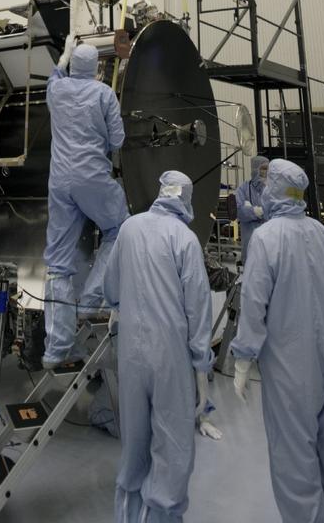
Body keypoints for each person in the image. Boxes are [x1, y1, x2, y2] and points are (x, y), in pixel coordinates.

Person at [231, 159, 324, 523]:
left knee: (294, 459)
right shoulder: (323, 236)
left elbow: (254, 302)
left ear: (275, 190)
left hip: (289, 368)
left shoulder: (267, 238)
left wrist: (243, 357)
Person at [103, 169, 214, 523]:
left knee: (134, 442)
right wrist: (201, 365)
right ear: (185, 197)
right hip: (170, 357)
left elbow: (111, 286)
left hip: (131, 354)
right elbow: (198, 306)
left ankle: (127, 513)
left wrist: (121, 307)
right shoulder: (184, 238)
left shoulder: (129, 228)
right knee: (172, 445)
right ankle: (163, 515)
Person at [43, 36, 129, 367]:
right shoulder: (104, 93)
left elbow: (55, 75)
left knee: (58, 263)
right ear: (96, 68)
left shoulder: (56, 90)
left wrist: (63, 55)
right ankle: (92, 301)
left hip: (60, 182)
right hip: (92, 178)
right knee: (118, 229)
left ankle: (56, 347)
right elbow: (118, 139)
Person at [234, 153, 269, 259]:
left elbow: (274, 212)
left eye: (267, 169)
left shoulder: (270, 189)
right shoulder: (243, 189)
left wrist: (252, 210)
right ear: (255, 169)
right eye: (263, 168)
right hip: (250, 238)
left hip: (268, 239)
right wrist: (259, 212)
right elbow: (239, 212)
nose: (265, 172)